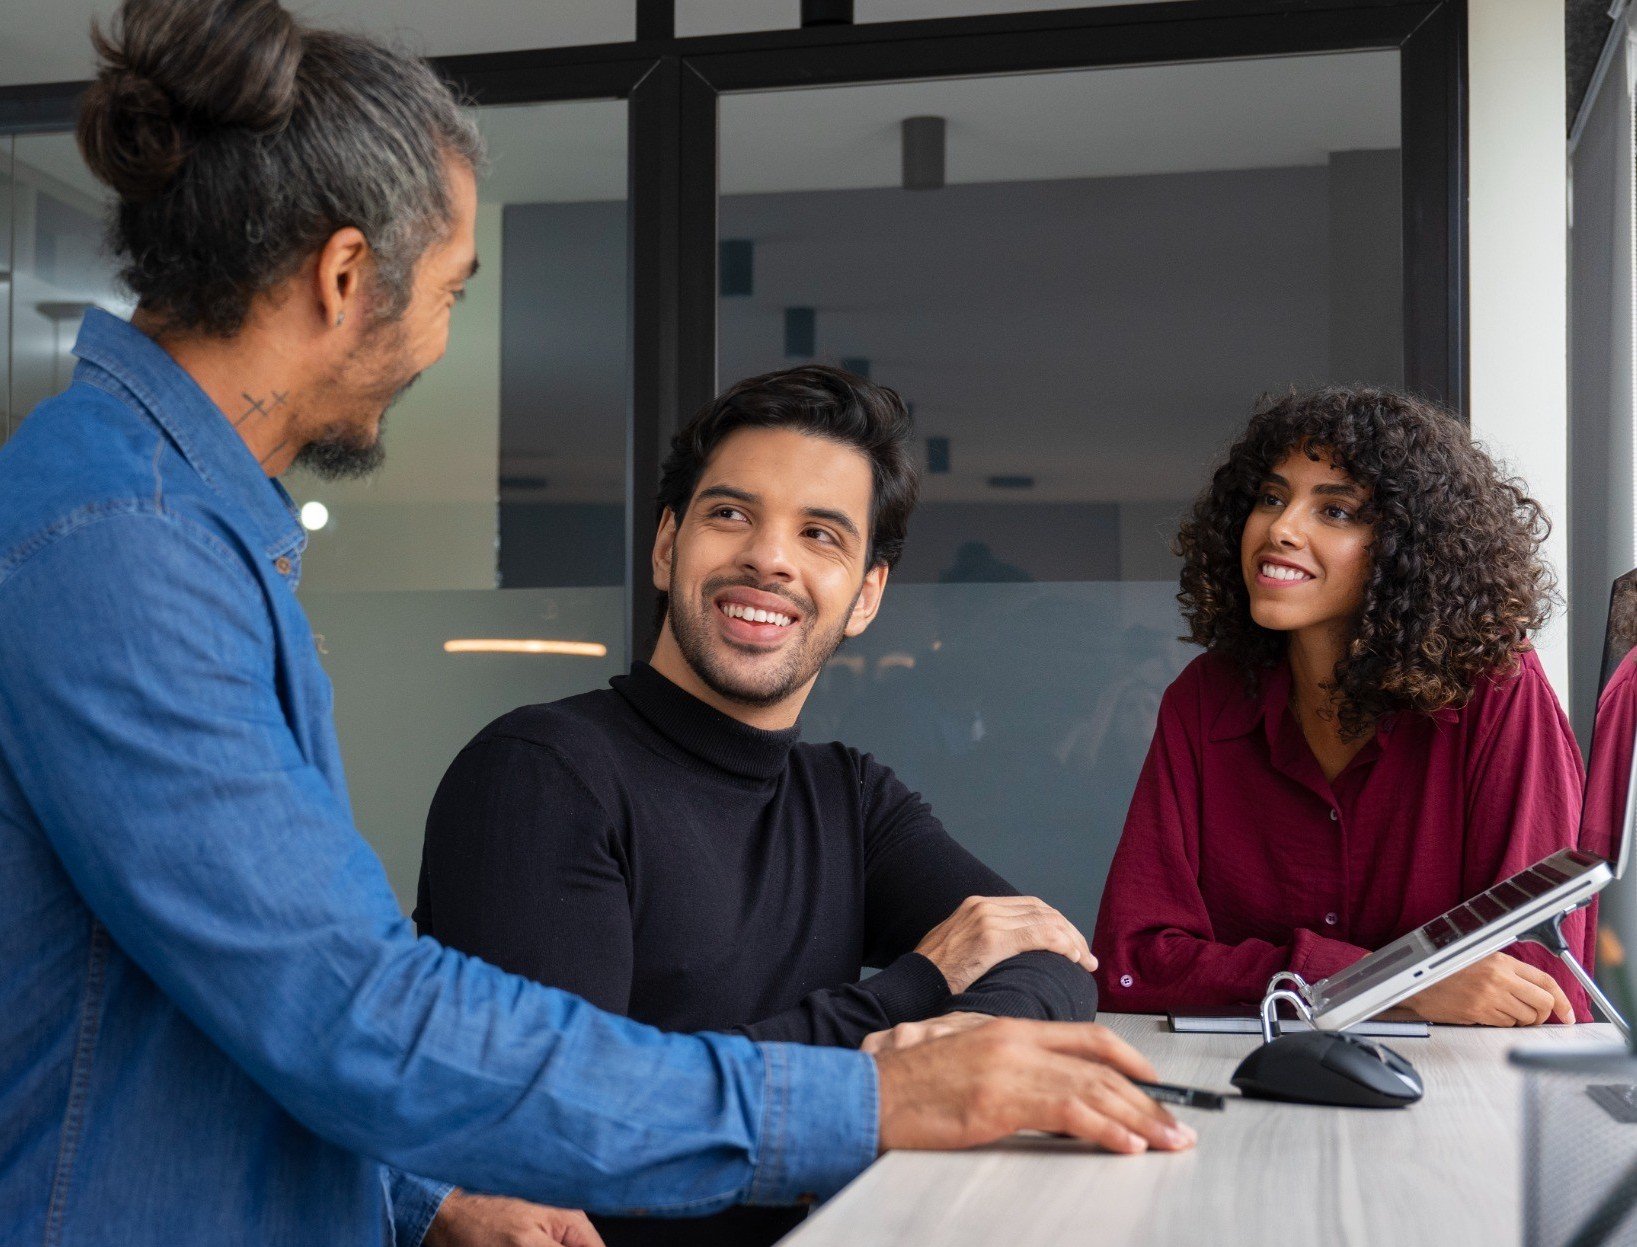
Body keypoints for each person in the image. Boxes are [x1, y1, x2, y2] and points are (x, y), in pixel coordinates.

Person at [0, 3, 1193, 1244]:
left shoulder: (176, 527)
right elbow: (355, 1009)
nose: (439, 340)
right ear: (348, 278)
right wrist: (873, 1082)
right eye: (452, 290)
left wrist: (423, 1189)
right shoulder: (122, 548)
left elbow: (237, 1003)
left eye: (825, 535)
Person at [416, 366, 1100, 1247]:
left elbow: (1054, 958)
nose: (769, 557)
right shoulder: (543, 773)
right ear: (667, 546)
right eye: (731, 513)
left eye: (820, 533)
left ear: (865, 595)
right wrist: (912, 997)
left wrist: (958, 1036)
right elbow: (578, 1129)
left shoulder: (849, 795)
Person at [1091, 388, 1592, 1026]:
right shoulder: (1205, 699)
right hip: (1243, 1086)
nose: (1281, 528)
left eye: (1335, 511)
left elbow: (1537, 984)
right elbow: (1133, 963)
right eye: (1272, 498)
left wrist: (1278, 977)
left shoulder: (1495, 691)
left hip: (1457, 1099)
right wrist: (1386, 981)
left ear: (1409, 550)